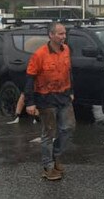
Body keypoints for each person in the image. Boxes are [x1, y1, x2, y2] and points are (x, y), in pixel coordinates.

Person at [24, 22, 75, 181]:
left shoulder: (66, 50)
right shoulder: (39, 55)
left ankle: (57, 156)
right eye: (60, 34)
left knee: (68, 128)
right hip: (46, 99)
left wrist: (71, 91)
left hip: (64, 96)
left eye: (64, 34)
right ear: (51, 35)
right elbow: (29, 79)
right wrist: (30, 102)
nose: (63, 37)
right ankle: (48, 167)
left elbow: (68, 72)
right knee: (48, 133)